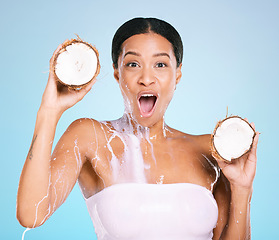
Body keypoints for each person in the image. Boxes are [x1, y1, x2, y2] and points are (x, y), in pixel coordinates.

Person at [17, 17, 259, 240]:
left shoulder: (210, 150)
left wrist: (242, 188)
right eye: (133, 64)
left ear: (178, 74)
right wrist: (49, 112)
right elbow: (31, 215)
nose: (146, 78)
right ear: (117, 73)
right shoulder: (90, 137)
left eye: (161, 65)